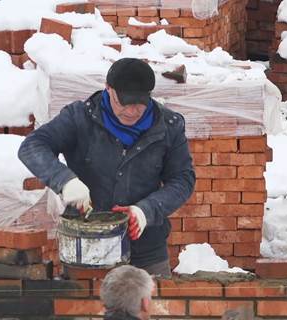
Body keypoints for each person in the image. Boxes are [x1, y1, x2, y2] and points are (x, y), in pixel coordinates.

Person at [18, 58, 195, 276]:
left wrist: (146, 211)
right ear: (108, 90)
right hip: (86, 247)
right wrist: (65, 181)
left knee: (151, 308)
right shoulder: (79, 117)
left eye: (139, 104)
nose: (131, 112)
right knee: (84, 309)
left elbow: (182, 179)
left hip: (146, 249)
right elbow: (32, 146)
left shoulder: (168, 126)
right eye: (124, 103)